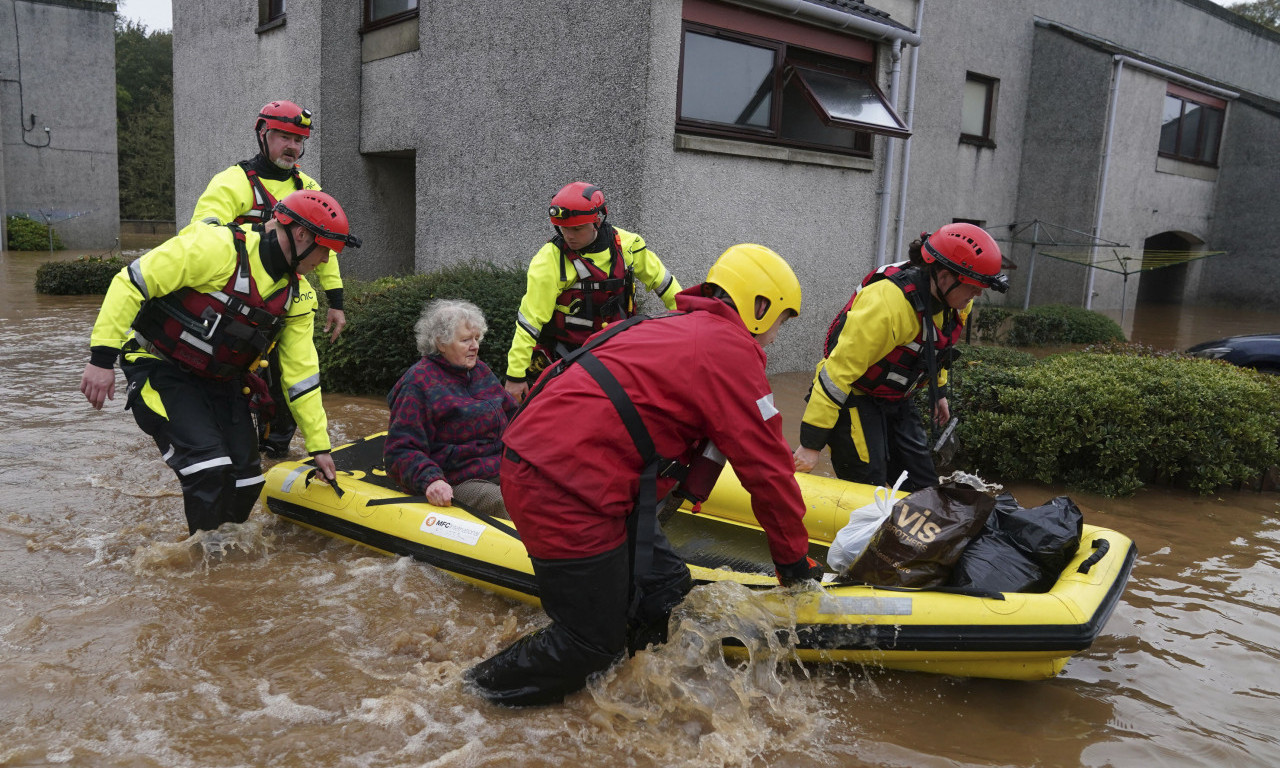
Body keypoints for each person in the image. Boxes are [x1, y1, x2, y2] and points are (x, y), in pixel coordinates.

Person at [466, 243, 822, 707]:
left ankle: (632, 693)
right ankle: (469, 696)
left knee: (666, 588)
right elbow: (769, 471)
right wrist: (794, 566)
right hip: (562, 484)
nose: (777, 334)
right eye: (782, 320)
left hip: (574, 470)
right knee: (591, 642)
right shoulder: (728, 350)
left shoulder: (668, 325)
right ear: (760, 307)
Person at [79, 190, 361, 536]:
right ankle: (201, 567)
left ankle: (222, 561)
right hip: (160, 366)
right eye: (325, 249)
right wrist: (101, 358)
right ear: (301, 235)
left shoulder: (298, 297)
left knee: (247, 480)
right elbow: (132, 282)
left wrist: (319, 446)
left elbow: (301, 375)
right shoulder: (218, 248)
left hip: (222, 382)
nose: (327, 259)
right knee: (208, 469)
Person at [793, 223, 1008, 490]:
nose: (977, 295)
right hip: (855, 394)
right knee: (867, 482)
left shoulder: (958, 299)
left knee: (923, 485)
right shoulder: (888, 304)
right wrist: (811, 445)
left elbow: (937, 348)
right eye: (974, 287)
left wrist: (938, 392)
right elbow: (835, 374)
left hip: (896, 397)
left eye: (981, 288)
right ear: (943, 277)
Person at [189, 100, 347, 457]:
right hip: (235, 306)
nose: (292, 146)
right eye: (284, 137)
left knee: (284, 394)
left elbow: (327, 249)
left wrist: (335, 303)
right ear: (263, 134)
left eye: (299, 139)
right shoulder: (232, 182)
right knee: (227, 386)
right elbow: (202, 231)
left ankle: (272, 458)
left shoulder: (309, 188)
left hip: (285, 309)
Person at [503, 181, 682, 401]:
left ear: (597, 220)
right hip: (569, 357)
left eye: (577, 228)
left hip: (620, 350)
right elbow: (529, 320)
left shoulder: (628, 245)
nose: (569, 235)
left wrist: (690, 325)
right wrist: (515, 375)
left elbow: (667, 287)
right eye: (563, 228)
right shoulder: (549, 260)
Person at [384, 299, 518, 519]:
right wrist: (431, 479)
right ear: (441, 343)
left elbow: (514, 417)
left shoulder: (480, 371)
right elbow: (399, 450)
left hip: (502, 466)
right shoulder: (418, 383)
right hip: (458, 478)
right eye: (466, 340)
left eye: (476, 338)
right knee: (510, 502)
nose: (475, 346)